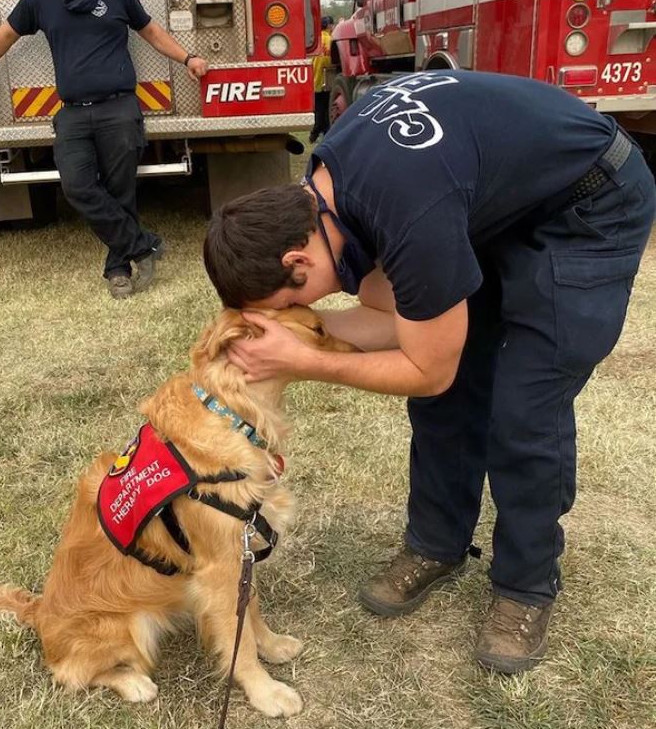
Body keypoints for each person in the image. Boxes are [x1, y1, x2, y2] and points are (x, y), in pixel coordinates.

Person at [202, 70, 655, 674]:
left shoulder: (406, 208)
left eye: (289, 305)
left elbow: (427, 366)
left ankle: (525, 584)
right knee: (448, 395)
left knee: (525, 406)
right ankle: (438, 545)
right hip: (502, 202)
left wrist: (304, 359)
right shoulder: (325, 194)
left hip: (590, 202)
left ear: (296, 260)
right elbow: (399, 319)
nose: (301, 315)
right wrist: (311, 335)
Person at [0, 0, 209, 299]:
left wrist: (187, 57)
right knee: (77, 186)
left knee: (119, 190)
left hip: (120, 109)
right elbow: (5, 35)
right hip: (73, 112)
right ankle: (144, 244)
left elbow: (152, 33)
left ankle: (118, 269)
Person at [309, 16, 333, 144]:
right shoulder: (331, 40)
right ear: (329, 26)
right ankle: (320, 132)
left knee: (318, 109)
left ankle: (317, 132)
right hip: (328, 80)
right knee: (326, 109)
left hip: (314, 80)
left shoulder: (314, 41)